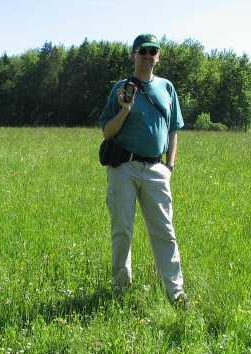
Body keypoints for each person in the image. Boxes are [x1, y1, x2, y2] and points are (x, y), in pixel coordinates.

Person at [98, 34, 188, 306]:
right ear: (133, 55)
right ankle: (121, 288)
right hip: (124, 167)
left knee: (165, 230)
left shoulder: (167, 88)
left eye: (153, 51)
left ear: (158, 56)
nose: (148, 56)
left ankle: (176, 292)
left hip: (156, 168)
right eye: (143, 51)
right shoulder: (120, 88)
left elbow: (173, 130)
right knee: (123, 229)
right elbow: (107, 131)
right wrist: (125, 110)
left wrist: (169, 165)